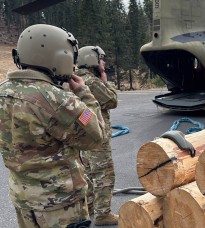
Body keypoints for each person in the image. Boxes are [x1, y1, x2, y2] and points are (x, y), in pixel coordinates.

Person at [0, 24, 106, 228]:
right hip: (59, 206)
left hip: (23, 200)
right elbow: (96, 135)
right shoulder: (57, 99)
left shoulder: (3, 91)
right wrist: (84, 95)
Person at [76, 46, 118, 225]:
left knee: (88, 172)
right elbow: (112, 100)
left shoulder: (76, 78)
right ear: (92, 60)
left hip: (83, 136)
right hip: (96, 134)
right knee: (104, 173)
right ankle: (103, 214)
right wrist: (106, 81)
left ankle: (91, 206)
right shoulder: (91, 82)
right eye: (101, 59)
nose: (104, 62)